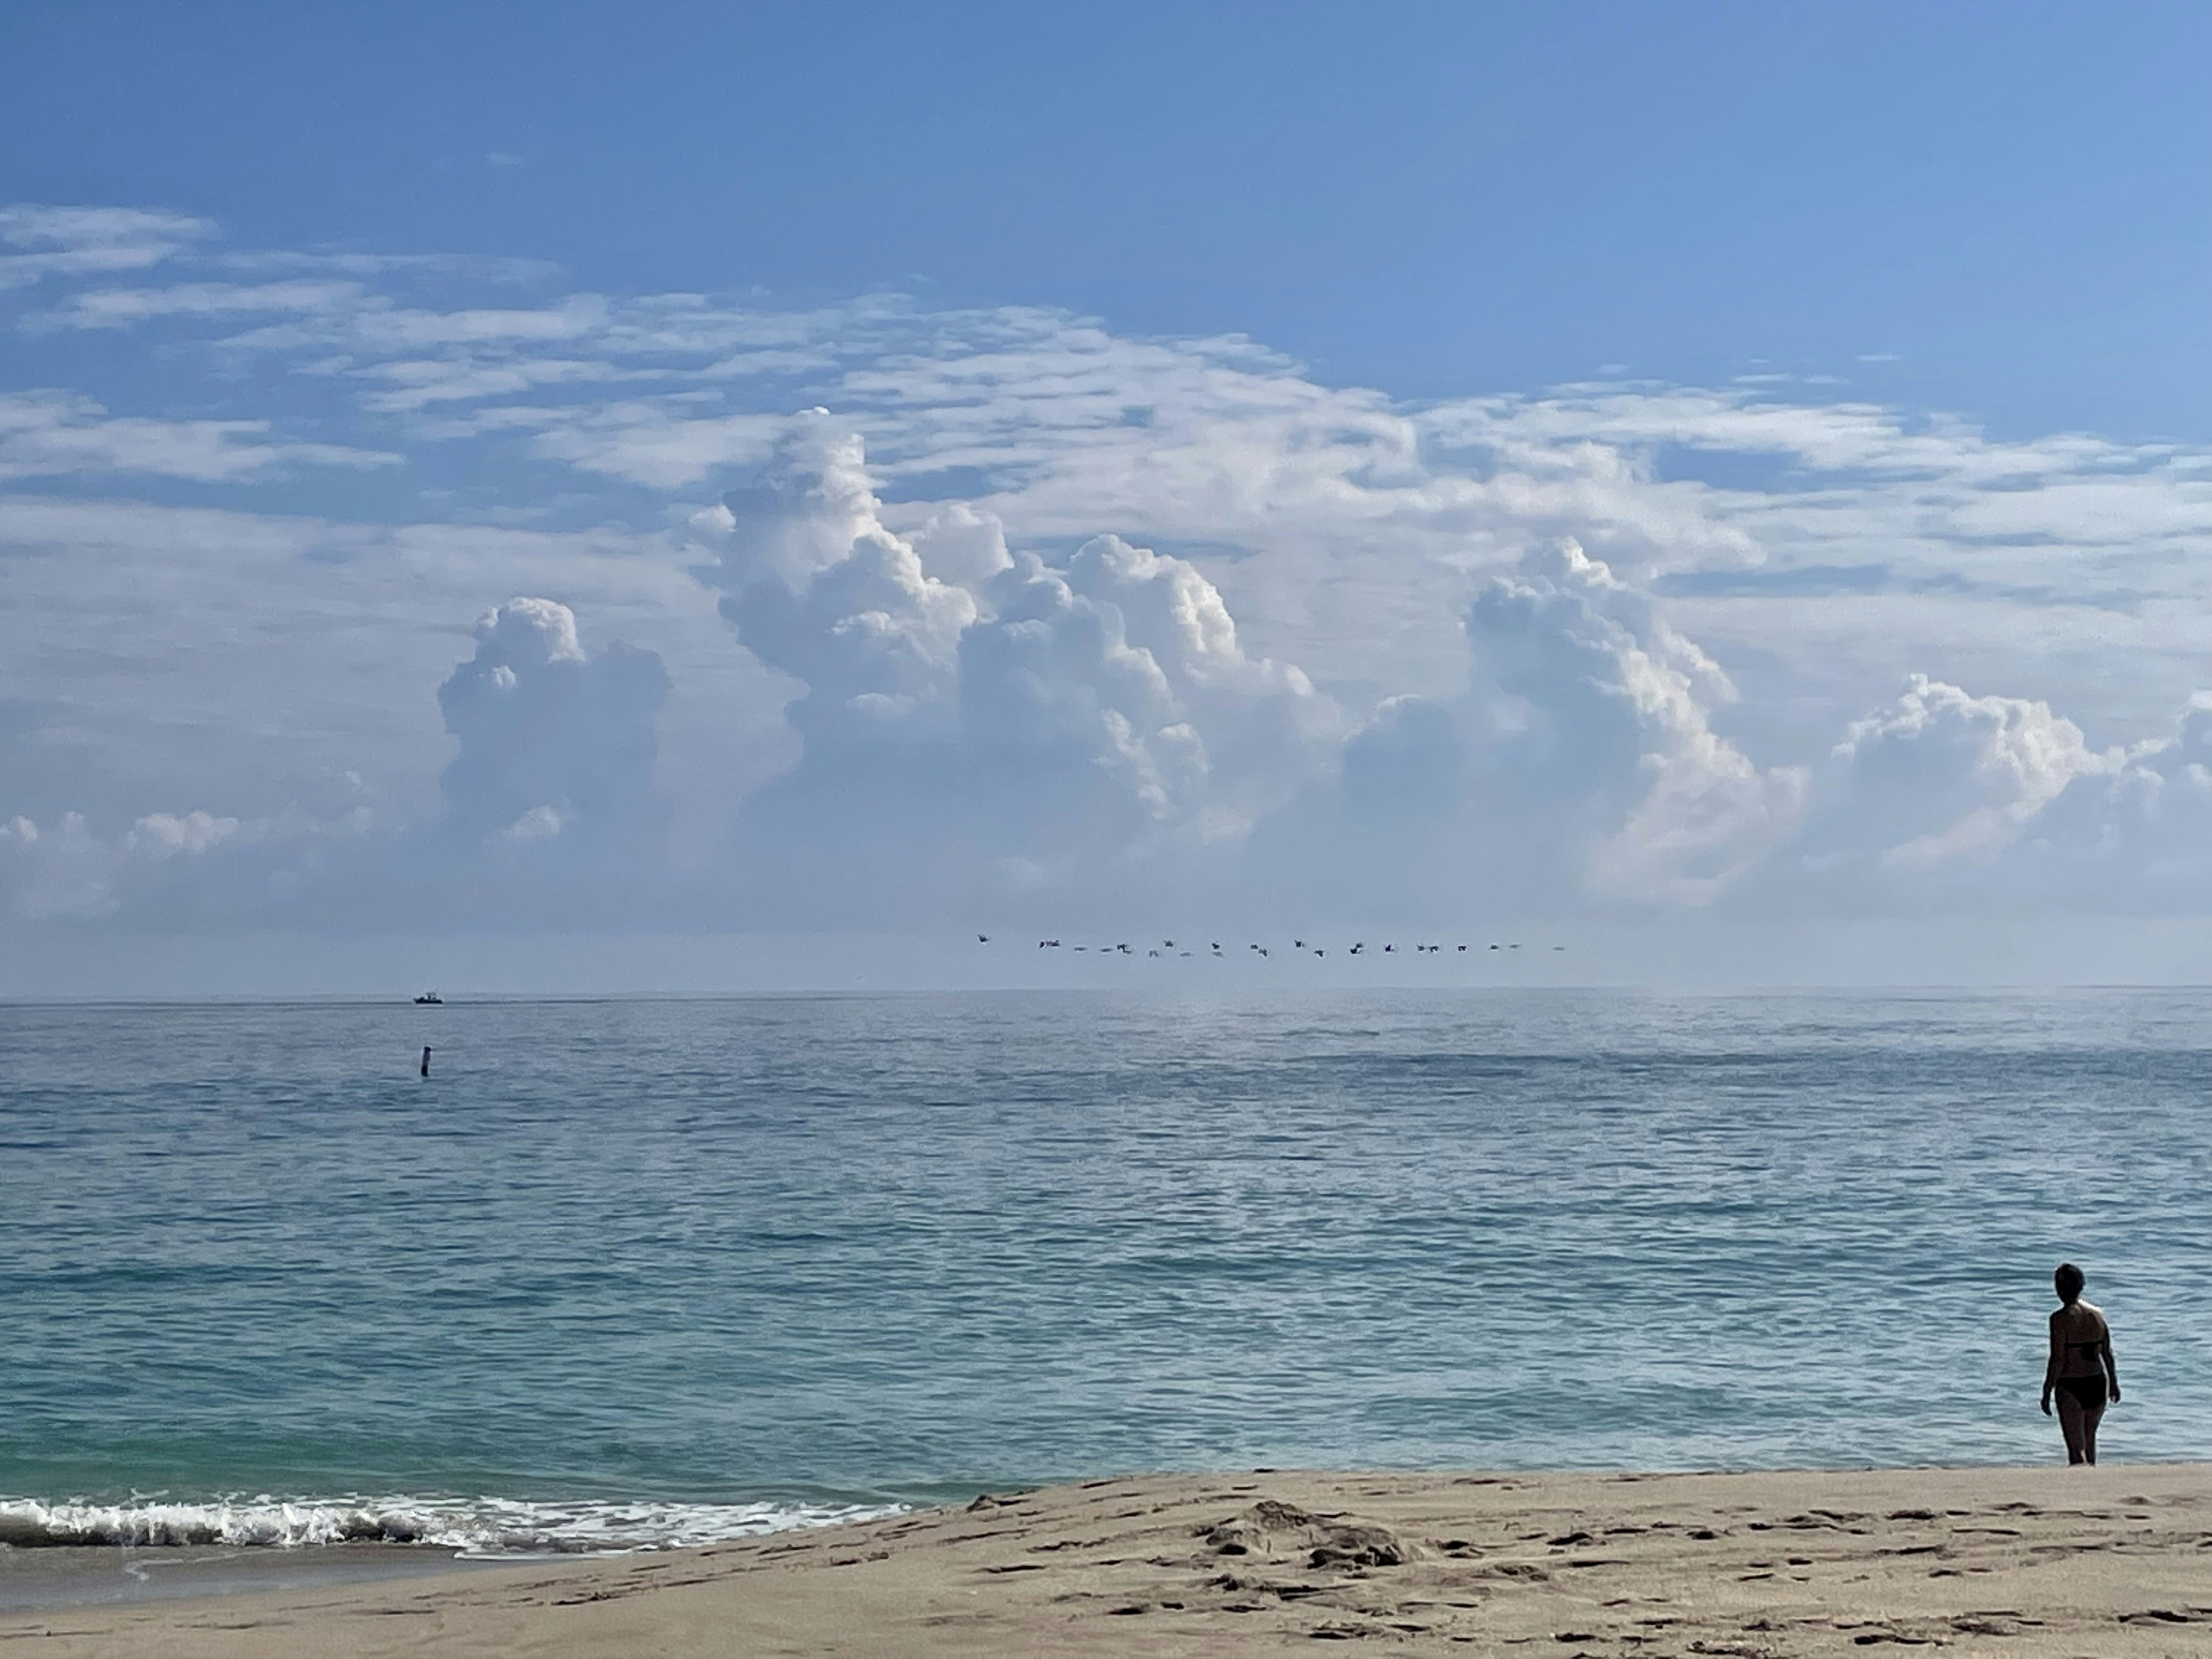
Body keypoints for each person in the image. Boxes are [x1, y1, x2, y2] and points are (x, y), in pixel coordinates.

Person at [2040, 1262, 2120, 1465]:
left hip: (2071, 1384)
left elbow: (2058, 1359)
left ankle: (2079, 1491)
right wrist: (2114, 1383)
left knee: (2076, 1450)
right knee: (2090, 1442)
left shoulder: (2059, 1319)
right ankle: (2094, 1486)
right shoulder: (2097, 1315)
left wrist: (2047, 1389)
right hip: (2098, 1382)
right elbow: (2108, 1354)